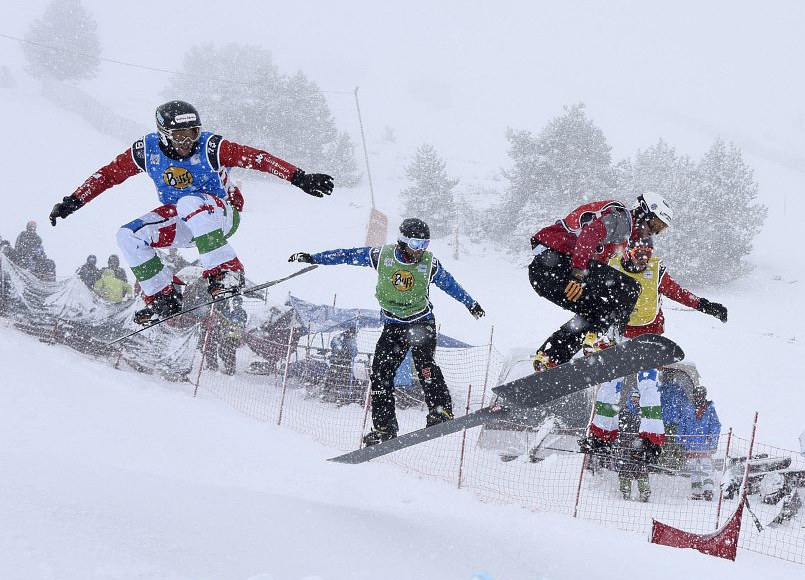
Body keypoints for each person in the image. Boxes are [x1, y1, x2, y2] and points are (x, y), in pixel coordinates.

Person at [50, 100, 335, 326]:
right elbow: (108, 175)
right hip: (184, 220)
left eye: (193, 133)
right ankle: (163, 295)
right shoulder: (145, 151)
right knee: (127, 235)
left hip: (221, 215)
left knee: (188, 202)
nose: (188, 142)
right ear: (163, 135)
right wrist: (74, 201)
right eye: (180, 136)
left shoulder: (211, 146)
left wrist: (299, 177)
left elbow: (257, 158)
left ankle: (226, 272)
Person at [289, 217, 486, 446]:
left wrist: (470, 303)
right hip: (394, 326)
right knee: (381, 376)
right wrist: (314, 258)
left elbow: (449, 283)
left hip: (421, 322)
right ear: (402, 242)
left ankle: (440, 411)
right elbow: (347, 255)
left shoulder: (428, 263)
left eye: (425, 245)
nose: (420, 251)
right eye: (416, 244)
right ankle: (385, 428)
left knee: (425, 367)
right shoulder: (382, 256)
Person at [579, 237, 728, 454]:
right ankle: (601, 437)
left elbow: (680, 294)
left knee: (648, 386)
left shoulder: (656, 272)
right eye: (639, 253)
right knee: (610, 385)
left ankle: (651, 441)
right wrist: (591, 335)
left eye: (648, 253)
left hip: (647, 337)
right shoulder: (613, 268)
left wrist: (706, 306)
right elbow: (595, 301)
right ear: (628, 252)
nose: (643, 259)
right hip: (619, 334)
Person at [528, 193, 683, 372]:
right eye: (655, 224)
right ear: (642, 212)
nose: (654, 231)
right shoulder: (623, 220)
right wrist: (578, 273)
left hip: (543, 276)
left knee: (597, 311)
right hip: (557, 262)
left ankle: (551, 356)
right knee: (630, 288)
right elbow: (590, 233)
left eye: (660, 229)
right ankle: (607, 339)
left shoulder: (622, 239)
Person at [677, 385, 722, 501]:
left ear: (704, 395)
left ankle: (708, 490)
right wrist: (680, 441)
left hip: (704, 446)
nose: (699, 397)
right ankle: (696, 491)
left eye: (701, 395)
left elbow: (715, 427)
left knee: (706, 468)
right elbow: (681, 425)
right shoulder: (688, 409)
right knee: (693, 470)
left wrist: (713, 444)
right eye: (697, 395)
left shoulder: (710, 410)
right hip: (690, 446)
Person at [613, 389, 657, 502]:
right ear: (629, 398)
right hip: (625, 443)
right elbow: (618, 425)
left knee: (641, 467)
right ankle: (625, 490)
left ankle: (644, 492)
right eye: (633, 397)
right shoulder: (623, 411)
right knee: (625, 466)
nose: (635, 400)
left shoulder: (642, 412)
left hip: (639, 444)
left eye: (637, 398)